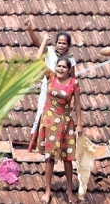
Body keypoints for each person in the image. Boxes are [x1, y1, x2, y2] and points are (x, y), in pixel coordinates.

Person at [28, 34, 82, 204]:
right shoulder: (50, 77)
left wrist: (80, 124)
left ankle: (69, 190)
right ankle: (48, 189)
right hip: (50, 121)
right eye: (58, 66)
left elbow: (78, 105)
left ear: (68, 69)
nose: (60, 69)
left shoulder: (74, 83)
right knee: (50, 157)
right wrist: (44, 40)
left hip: (66, 123)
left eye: (63, 67)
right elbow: (37, 60)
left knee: (68, 158)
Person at [24, 19, 77, 137]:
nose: (61, 46)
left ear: (68, 45)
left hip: (62, 90)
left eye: (64, 43)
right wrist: (30, 30)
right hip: (48, 85)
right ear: (56, 43)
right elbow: (38, 43)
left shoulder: (71, 58)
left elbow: (73, 78)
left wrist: (72, 97)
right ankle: (35, 138)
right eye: (59, 43)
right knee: (41, 112)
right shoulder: (50, 52)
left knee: (57, 115)